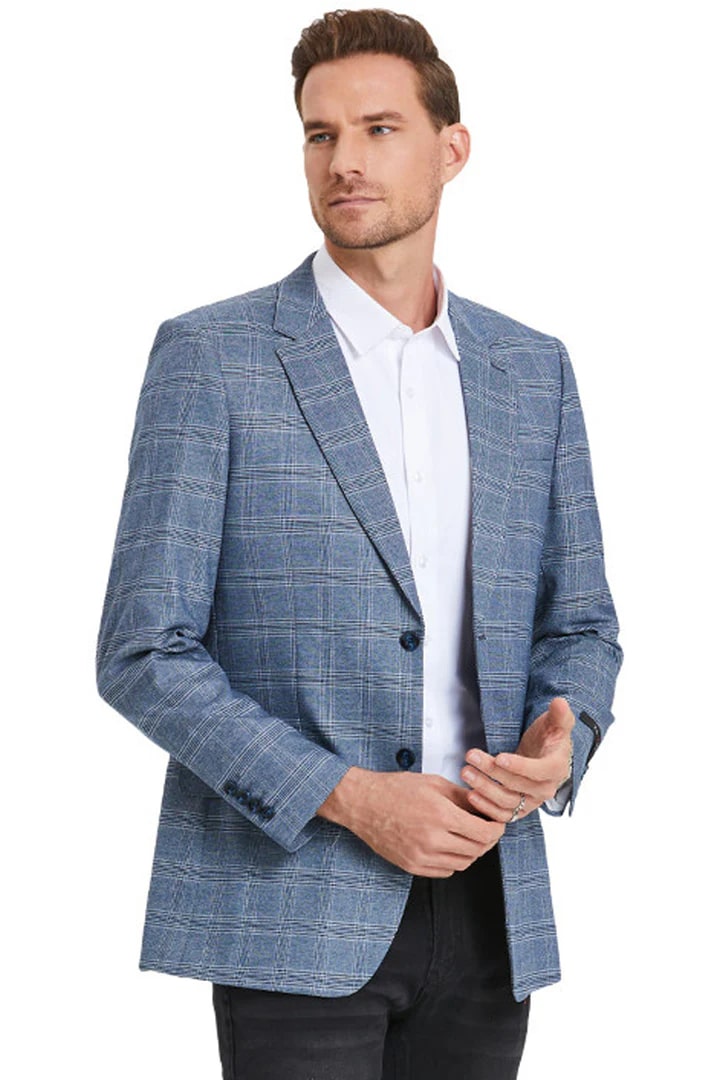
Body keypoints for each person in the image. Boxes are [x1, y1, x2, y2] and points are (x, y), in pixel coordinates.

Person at [97, 9, 622, 1079]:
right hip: (293, 905)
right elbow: (143, 651)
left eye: (380, 129)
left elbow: (581, 624)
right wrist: (348, 795)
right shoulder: (213, 358)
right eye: (320, 133)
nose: (344, 160)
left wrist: (563, 744)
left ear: (452, 148)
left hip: (492, 907)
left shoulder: (532, 371)